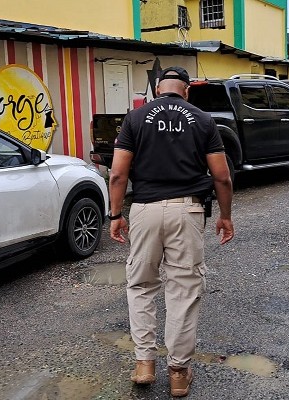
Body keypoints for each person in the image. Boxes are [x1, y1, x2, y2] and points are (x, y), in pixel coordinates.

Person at [108, 66, 234, 397]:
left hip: (145, 210)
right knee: (184, 289)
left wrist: (115, 214)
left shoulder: (135, 119)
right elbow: (221, 176)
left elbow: (118, 174)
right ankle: (178, 372)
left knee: (141, 284)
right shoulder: (204, 120)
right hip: (188, 210)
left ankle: (144, 363)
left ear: (157, 89)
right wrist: (225, 216)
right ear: (186, 91)